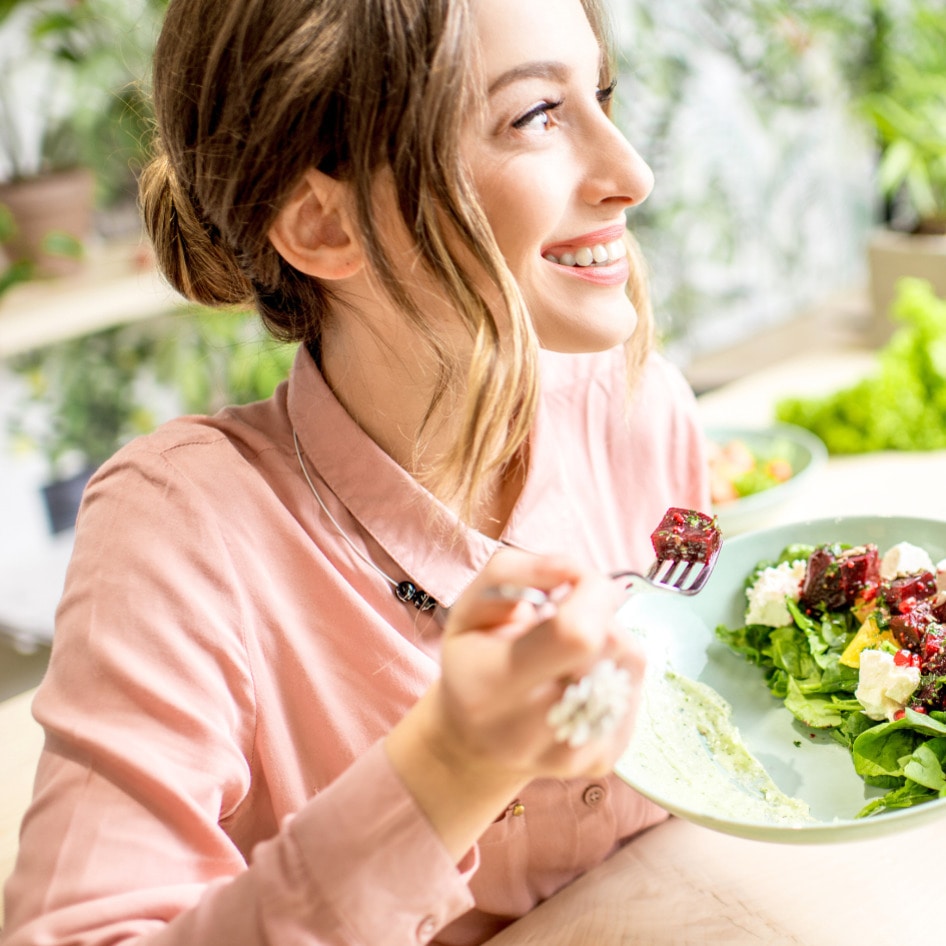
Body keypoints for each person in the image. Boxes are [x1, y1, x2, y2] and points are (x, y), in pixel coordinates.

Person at [1, 0, 709, 943]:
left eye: (601, 94)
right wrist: (450, 766)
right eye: (536, 114)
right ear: (323, 225)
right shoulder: (180, 528)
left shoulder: (639, 406)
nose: (632, 174)